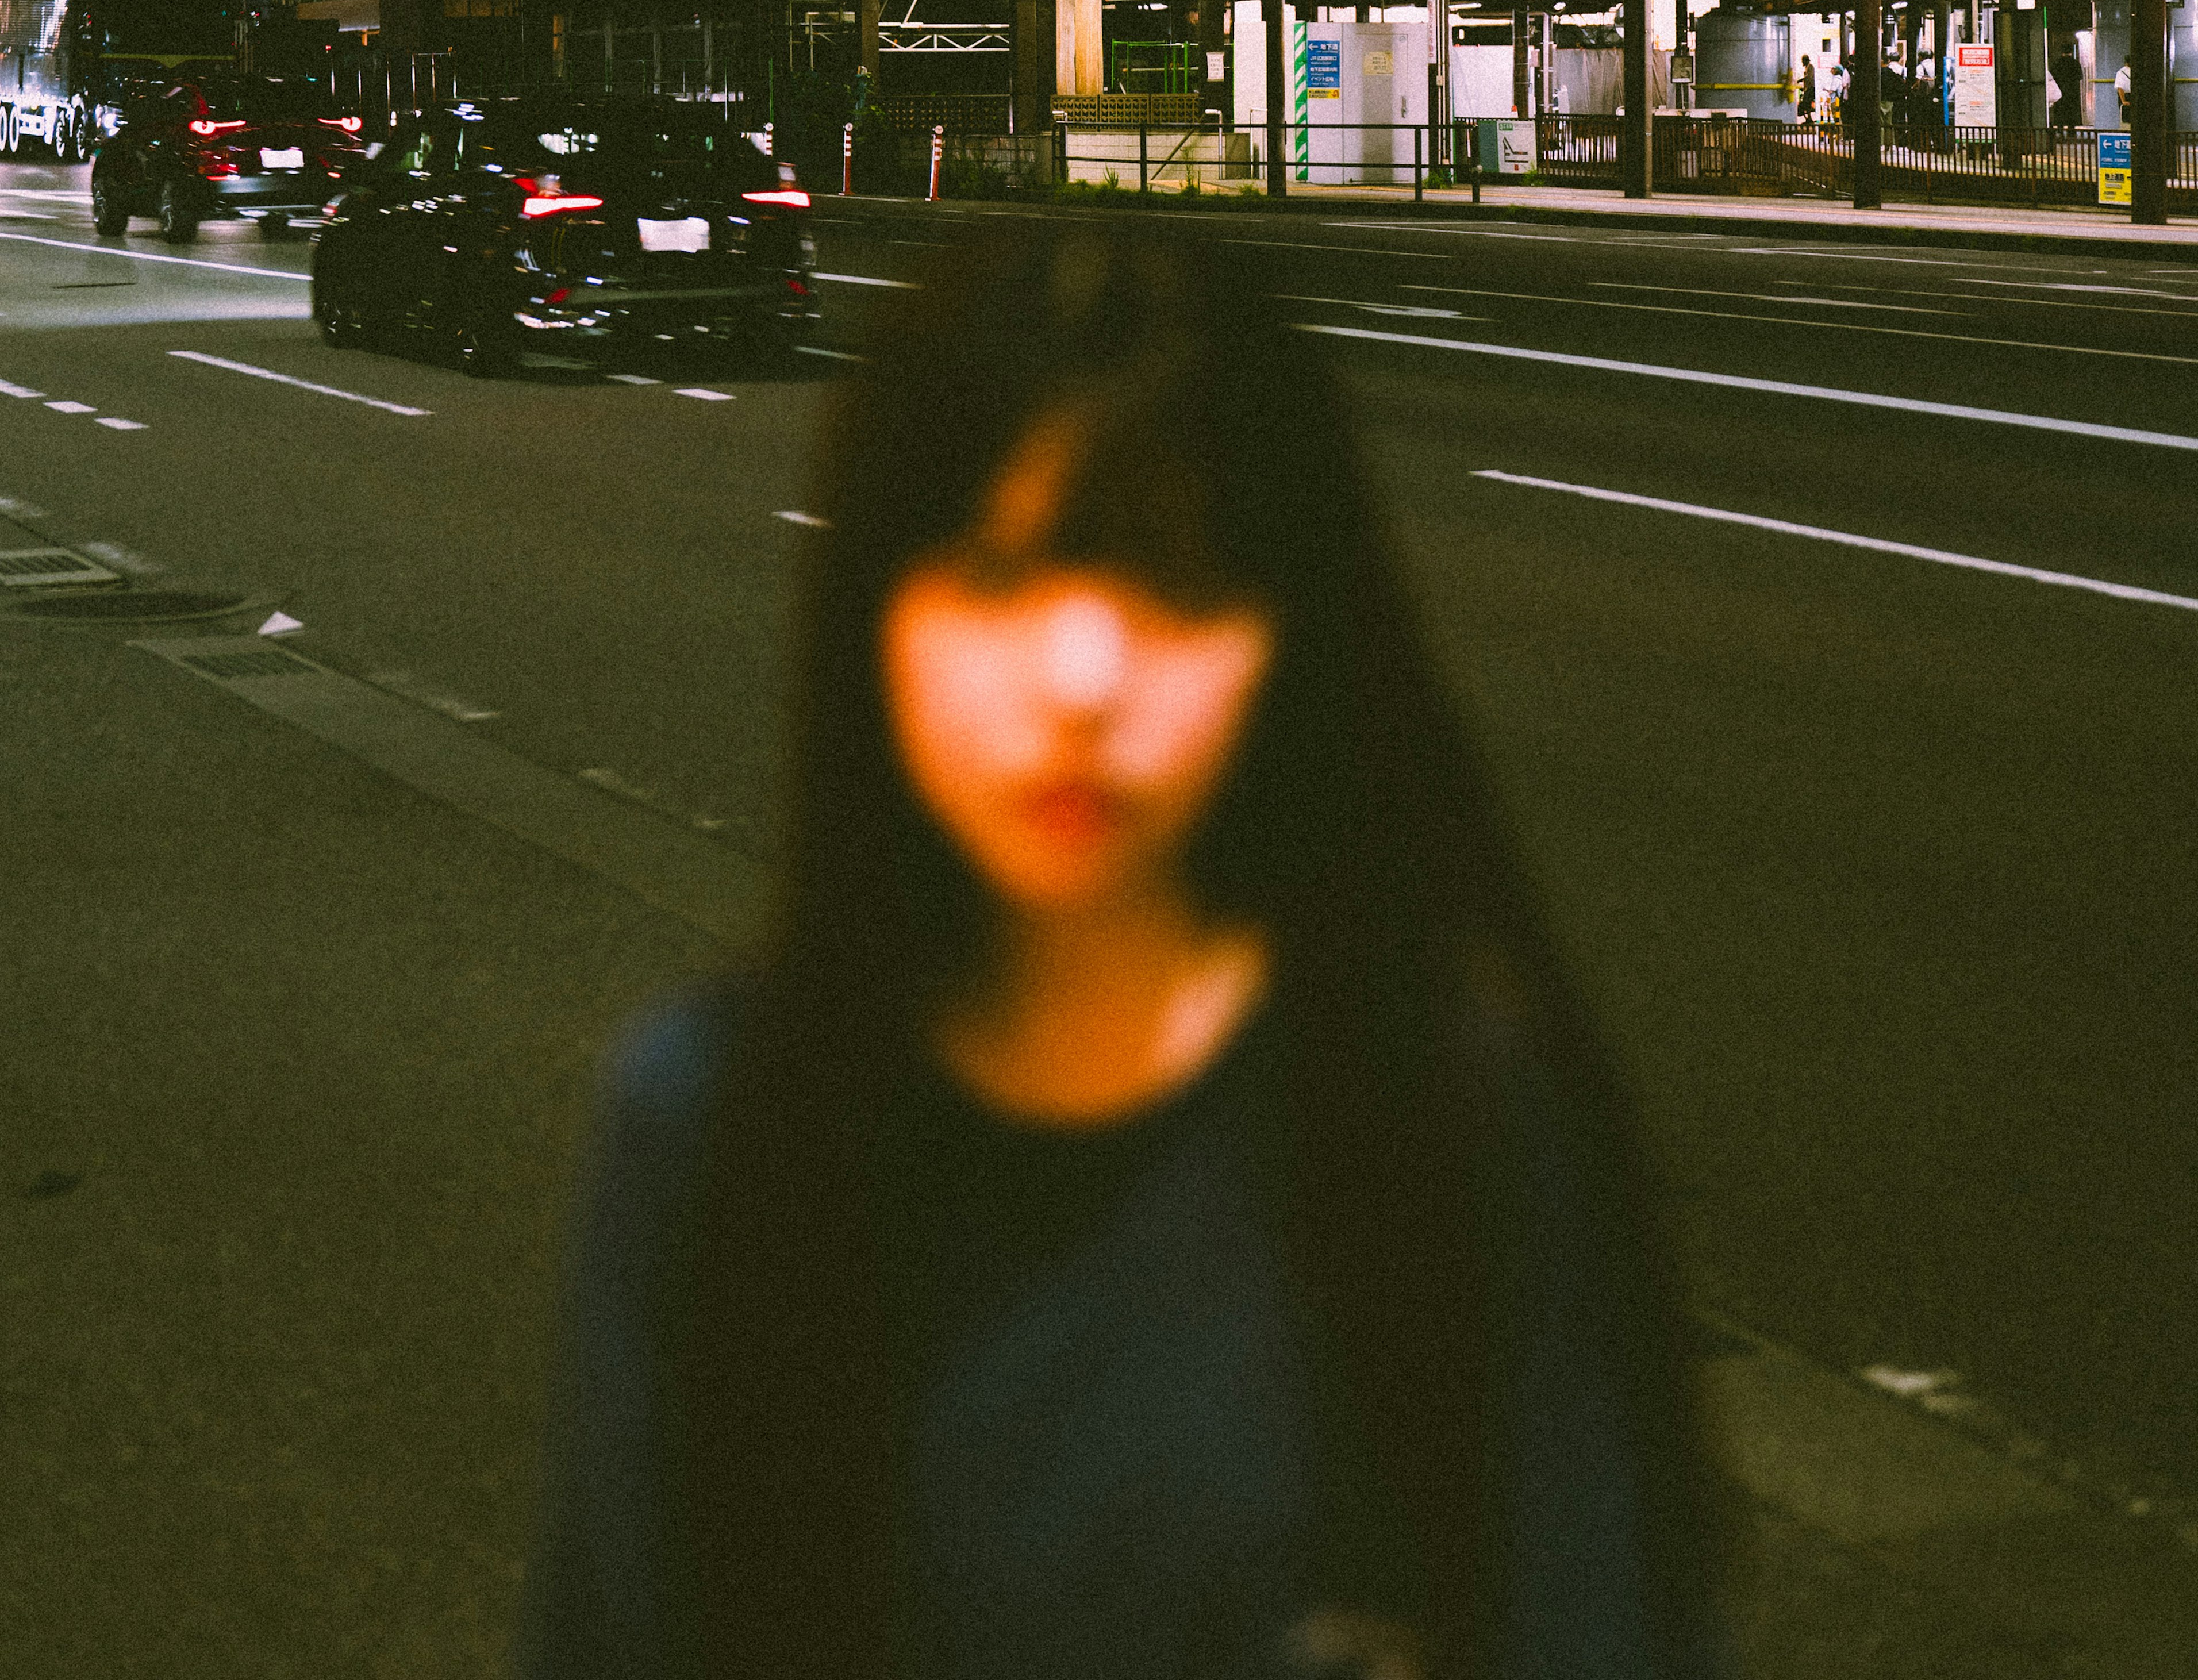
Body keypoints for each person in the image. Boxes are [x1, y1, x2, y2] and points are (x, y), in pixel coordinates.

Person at [515, 228, 1732, 1680]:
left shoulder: (1434, 1130)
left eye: (1172, 581)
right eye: (991, 569)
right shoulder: (716, 1131)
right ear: (870, 618)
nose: (1083, 677)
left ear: (1285, 630)